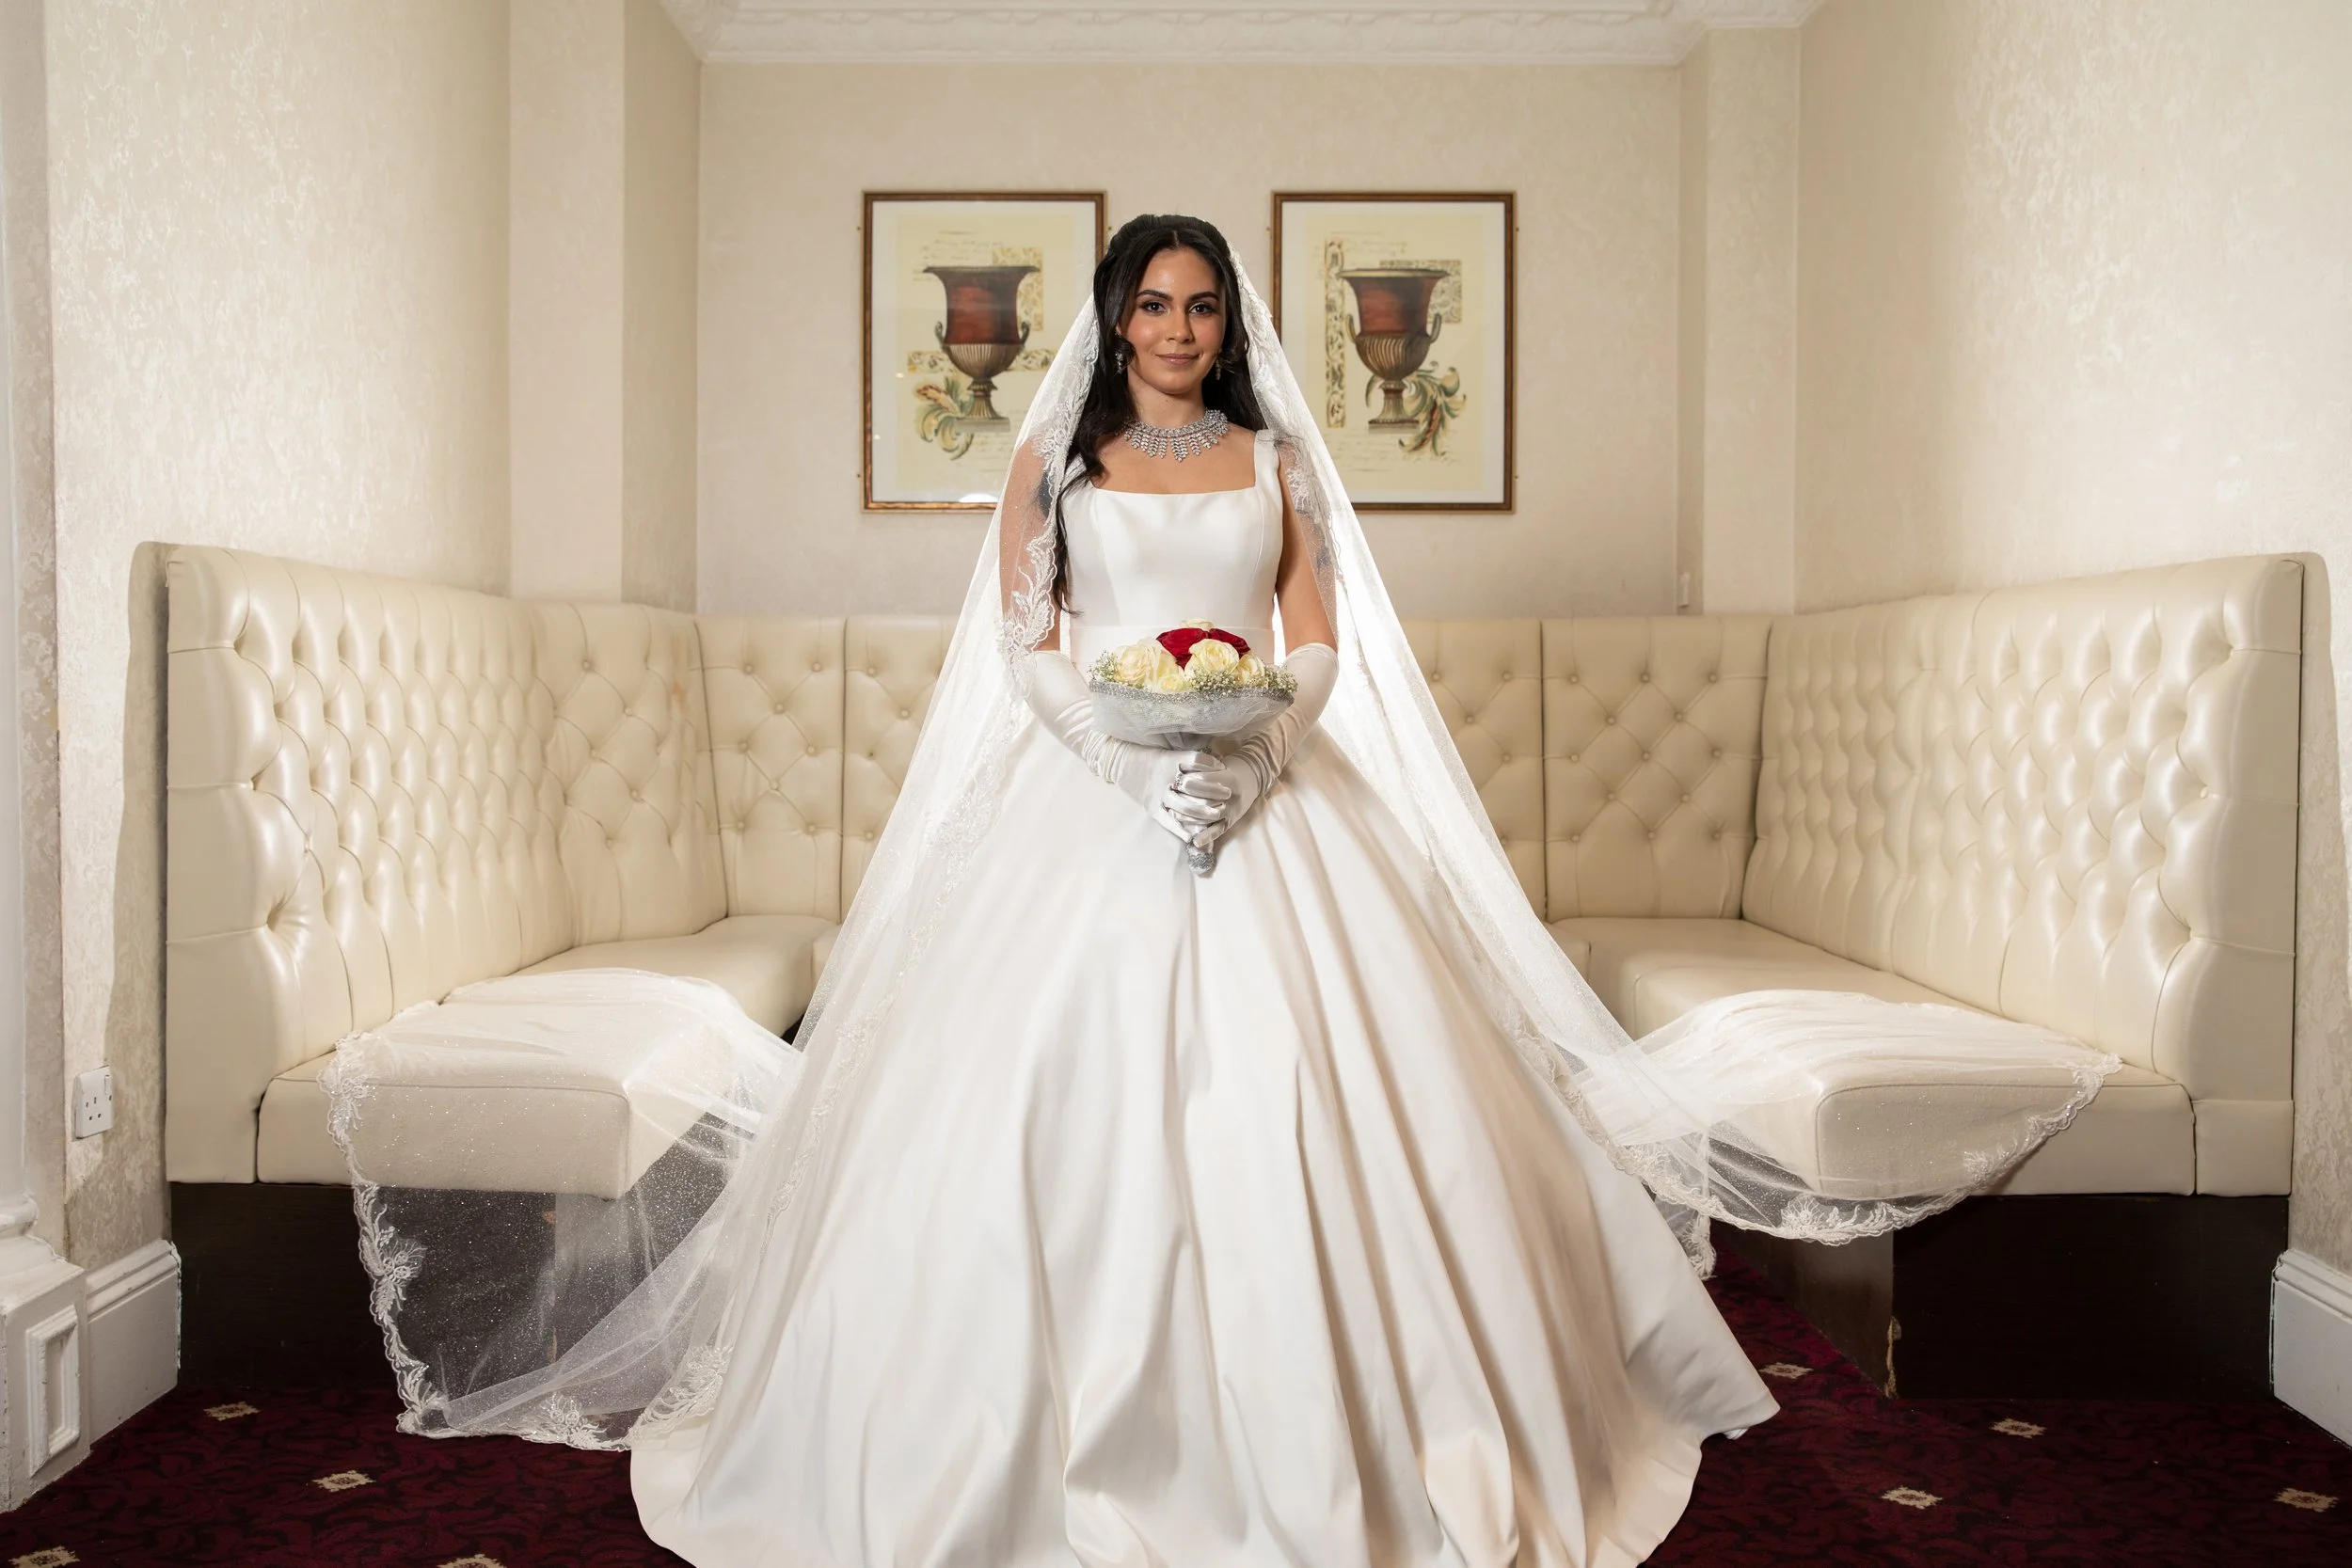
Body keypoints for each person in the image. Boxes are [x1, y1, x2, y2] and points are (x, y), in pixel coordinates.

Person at [327, 212, 2113, 1567]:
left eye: (1201, 303)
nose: (1176, 328)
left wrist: (1249, 737)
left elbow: (1315, 643)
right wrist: (1123, 750)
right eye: (1152, 303)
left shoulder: (1277, 467)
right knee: (1019, 1115)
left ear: (1228, 323)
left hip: (1270, 781)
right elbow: (1027, 646)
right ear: (1112, 318)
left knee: (1357, 1107)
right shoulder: (1056, 464)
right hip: (1085, 791)